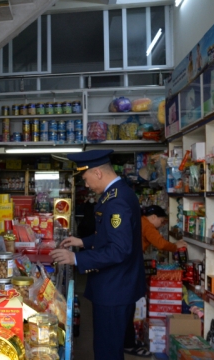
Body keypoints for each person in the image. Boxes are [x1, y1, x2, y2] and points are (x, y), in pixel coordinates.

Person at [50, 149, 146, 360]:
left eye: (86, 178)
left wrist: (76, 258)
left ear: (98, 173)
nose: (86, 184)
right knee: (108, 344)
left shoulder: (116, 201)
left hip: (115, 287)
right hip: (117, 285)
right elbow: (110, 236)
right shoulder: (119, 193)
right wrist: (83, 242)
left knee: (107, 349)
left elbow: (119, 249)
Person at [123, 205, 187, 357]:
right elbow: (161, 243)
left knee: (128, 306)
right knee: (129, 305)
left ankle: (128, 340)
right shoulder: (147, 225)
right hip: (130, 265)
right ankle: (129, 344)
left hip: (127, 264)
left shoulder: (139, 221)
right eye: (162, 221)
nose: (162, 224)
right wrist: (175, 246)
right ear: (153, 218)